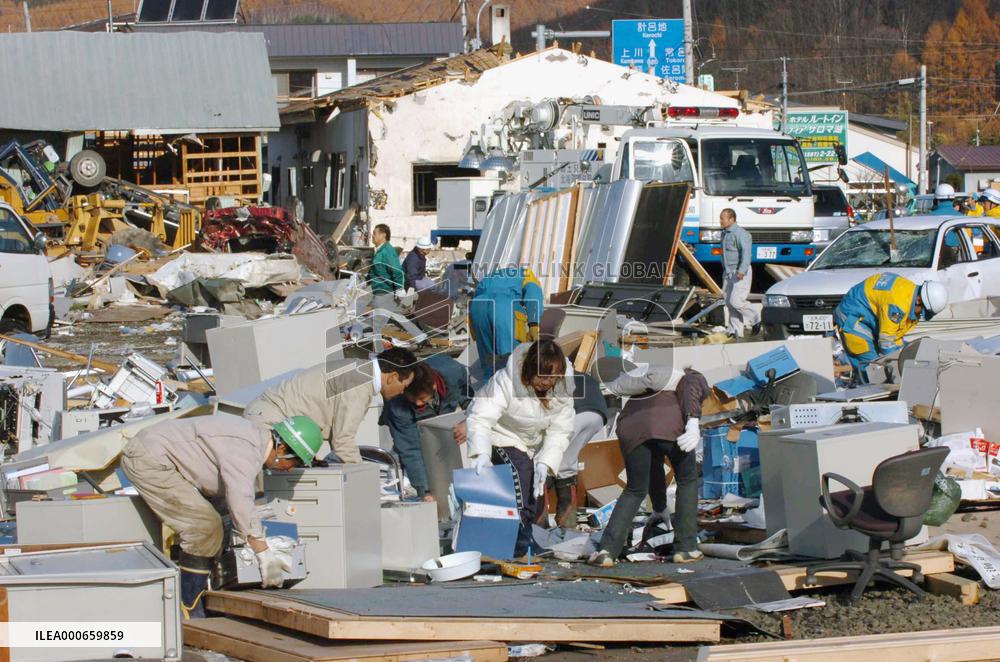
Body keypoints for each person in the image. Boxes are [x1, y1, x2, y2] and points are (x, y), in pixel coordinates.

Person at [121, 413, 324, 618]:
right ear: (282, 449)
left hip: (163, 457)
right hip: (149, 460)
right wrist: (263, 553)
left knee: (221, 525)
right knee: (204, 527)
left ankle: (205, 595)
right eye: (295, 463)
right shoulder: (246, 450)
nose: (290, 469)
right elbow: (240, 498)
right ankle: (187, 607)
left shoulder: (253, 443)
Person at [588, 365, 709, 567]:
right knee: (687, 480)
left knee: (634, 489)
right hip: (670, 425)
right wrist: (693, 422)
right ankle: (686, 548)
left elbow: (655, 467)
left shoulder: (647, 389)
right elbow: (692, 387)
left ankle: (606, 551)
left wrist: (660, 507)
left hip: (631, 429)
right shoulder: (690, 376)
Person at [466, 339, 575, 556]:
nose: (546, 382)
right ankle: (520, 543)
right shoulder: (505, 381)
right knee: (521, 474)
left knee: (534, 486)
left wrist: (545, 462)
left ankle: (522, 537)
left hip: (529, 445)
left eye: (552, 377)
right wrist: (481, 452)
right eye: (541, 376)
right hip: (499, 435)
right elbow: (480, 417)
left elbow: (560, 430)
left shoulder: (562, 389)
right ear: (529, 368)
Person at [244, 347, 424, 463]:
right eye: (404, 385)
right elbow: (342, 441)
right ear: (393, 377)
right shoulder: (361, 383)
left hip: (270, 417)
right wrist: (363, 477)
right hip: (272, 424)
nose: (403, 391)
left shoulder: (359, 369)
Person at [381, 354, 472, 500]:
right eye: (413, 399)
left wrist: (470, 420)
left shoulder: (453, 371)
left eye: (422, 399)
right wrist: (426, 491)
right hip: (409, 425)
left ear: (434, 386)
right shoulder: (397, 405)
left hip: (444, 414)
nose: (418, 403)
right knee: (408, 453)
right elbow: (411, 449)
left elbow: (469, 397)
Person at [834, 273, 948, 383]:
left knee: (886, 365)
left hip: (865, 315)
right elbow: (886, 341)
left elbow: (895, 335)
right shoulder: (898, 306)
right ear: (918, 300)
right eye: (922, 312)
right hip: (851, 319)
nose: (919, 316)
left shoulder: (909, 292)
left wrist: (901, 354)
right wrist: (899, 367)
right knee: (873, 369)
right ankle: (865, 389)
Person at [538, 371, 609, 529]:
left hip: (575, 414)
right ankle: (567, 524)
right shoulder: (582, 376)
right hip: (598, 416)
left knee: (545, 464)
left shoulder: (548, 376)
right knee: (566, 465)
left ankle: (539, 525)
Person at [469, 266, 544, 379]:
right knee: (512, 356)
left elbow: (476, 296)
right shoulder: (527, 274)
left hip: (478, 306)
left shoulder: (489, 277)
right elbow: (533, 295)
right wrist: (533, 324)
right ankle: (512, 384)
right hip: (503, 306)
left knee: (488, 359)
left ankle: (489, 385)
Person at [720, 208, 761, 338]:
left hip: (739, 272)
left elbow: (746, 253)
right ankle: (735, 331)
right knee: (729, 302)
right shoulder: (724, 233)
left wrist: (742, 270)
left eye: (723, 218)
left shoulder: (741, 233)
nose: (721, 221)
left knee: (736, 301)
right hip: (728, 272)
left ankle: (756, 315)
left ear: (731, 219)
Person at [368, 223, 404, 329]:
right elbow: (377, 269)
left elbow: (396, 270)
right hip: (379, 290)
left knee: (375, 324)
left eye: (374, 233)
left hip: (384, 292)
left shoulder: (387, 251)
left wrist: (399, 288)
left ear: (383, 235)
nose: (372, 236)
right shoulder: (380, 250)